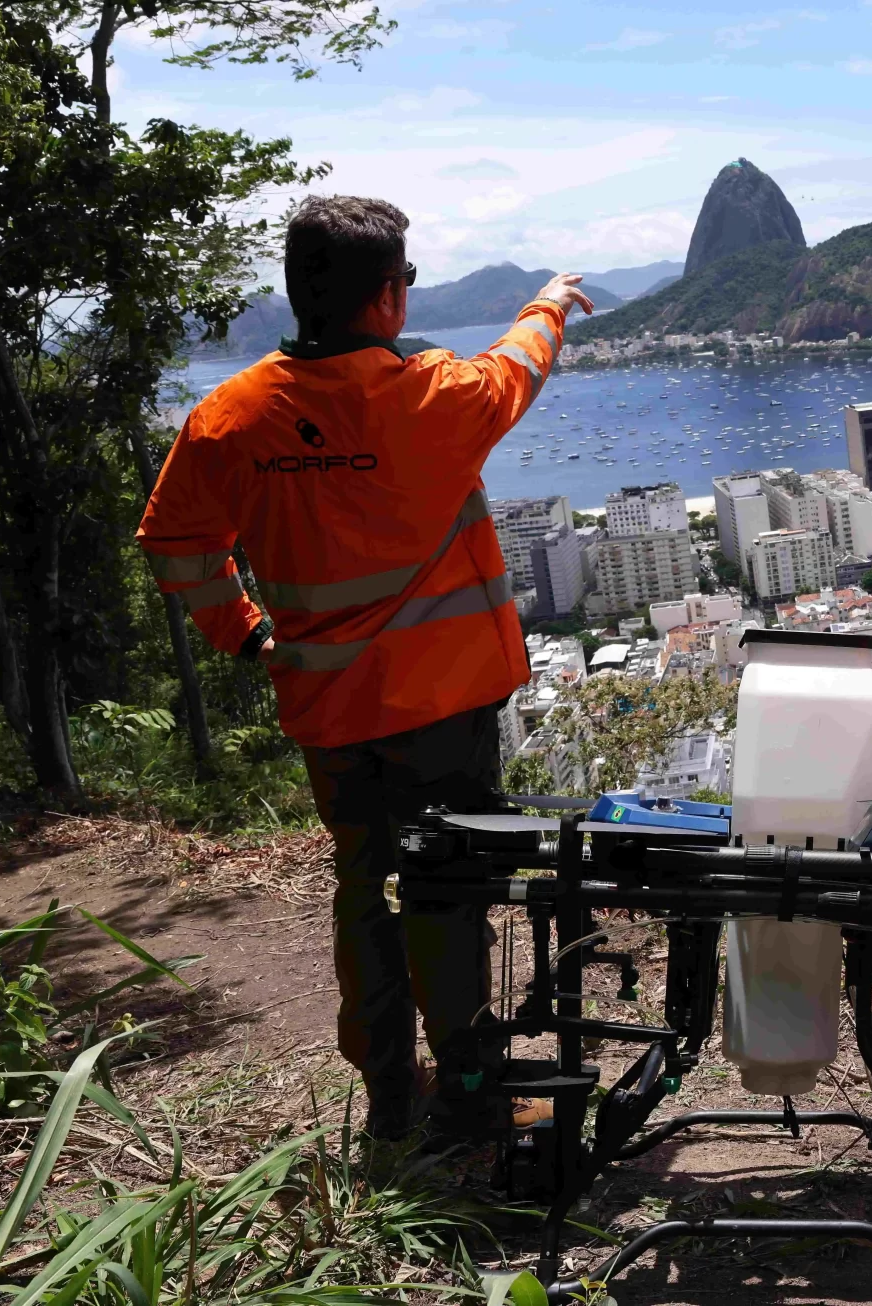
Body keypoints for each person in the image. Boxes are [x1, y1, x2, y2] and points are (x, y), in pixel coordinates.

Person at [137, 195, 595, 1139]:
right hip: (444, 705)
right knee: (447, 888)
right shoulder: (431, 394)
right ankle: (468, 1080)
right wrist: (547, 301)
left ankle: (390, 1088)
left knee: (365, 885)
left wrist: (248, 631)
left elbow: (176, 546)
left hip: (329, 711)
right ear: (388, 297)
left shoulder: (228, 418)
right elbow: (519, 367)